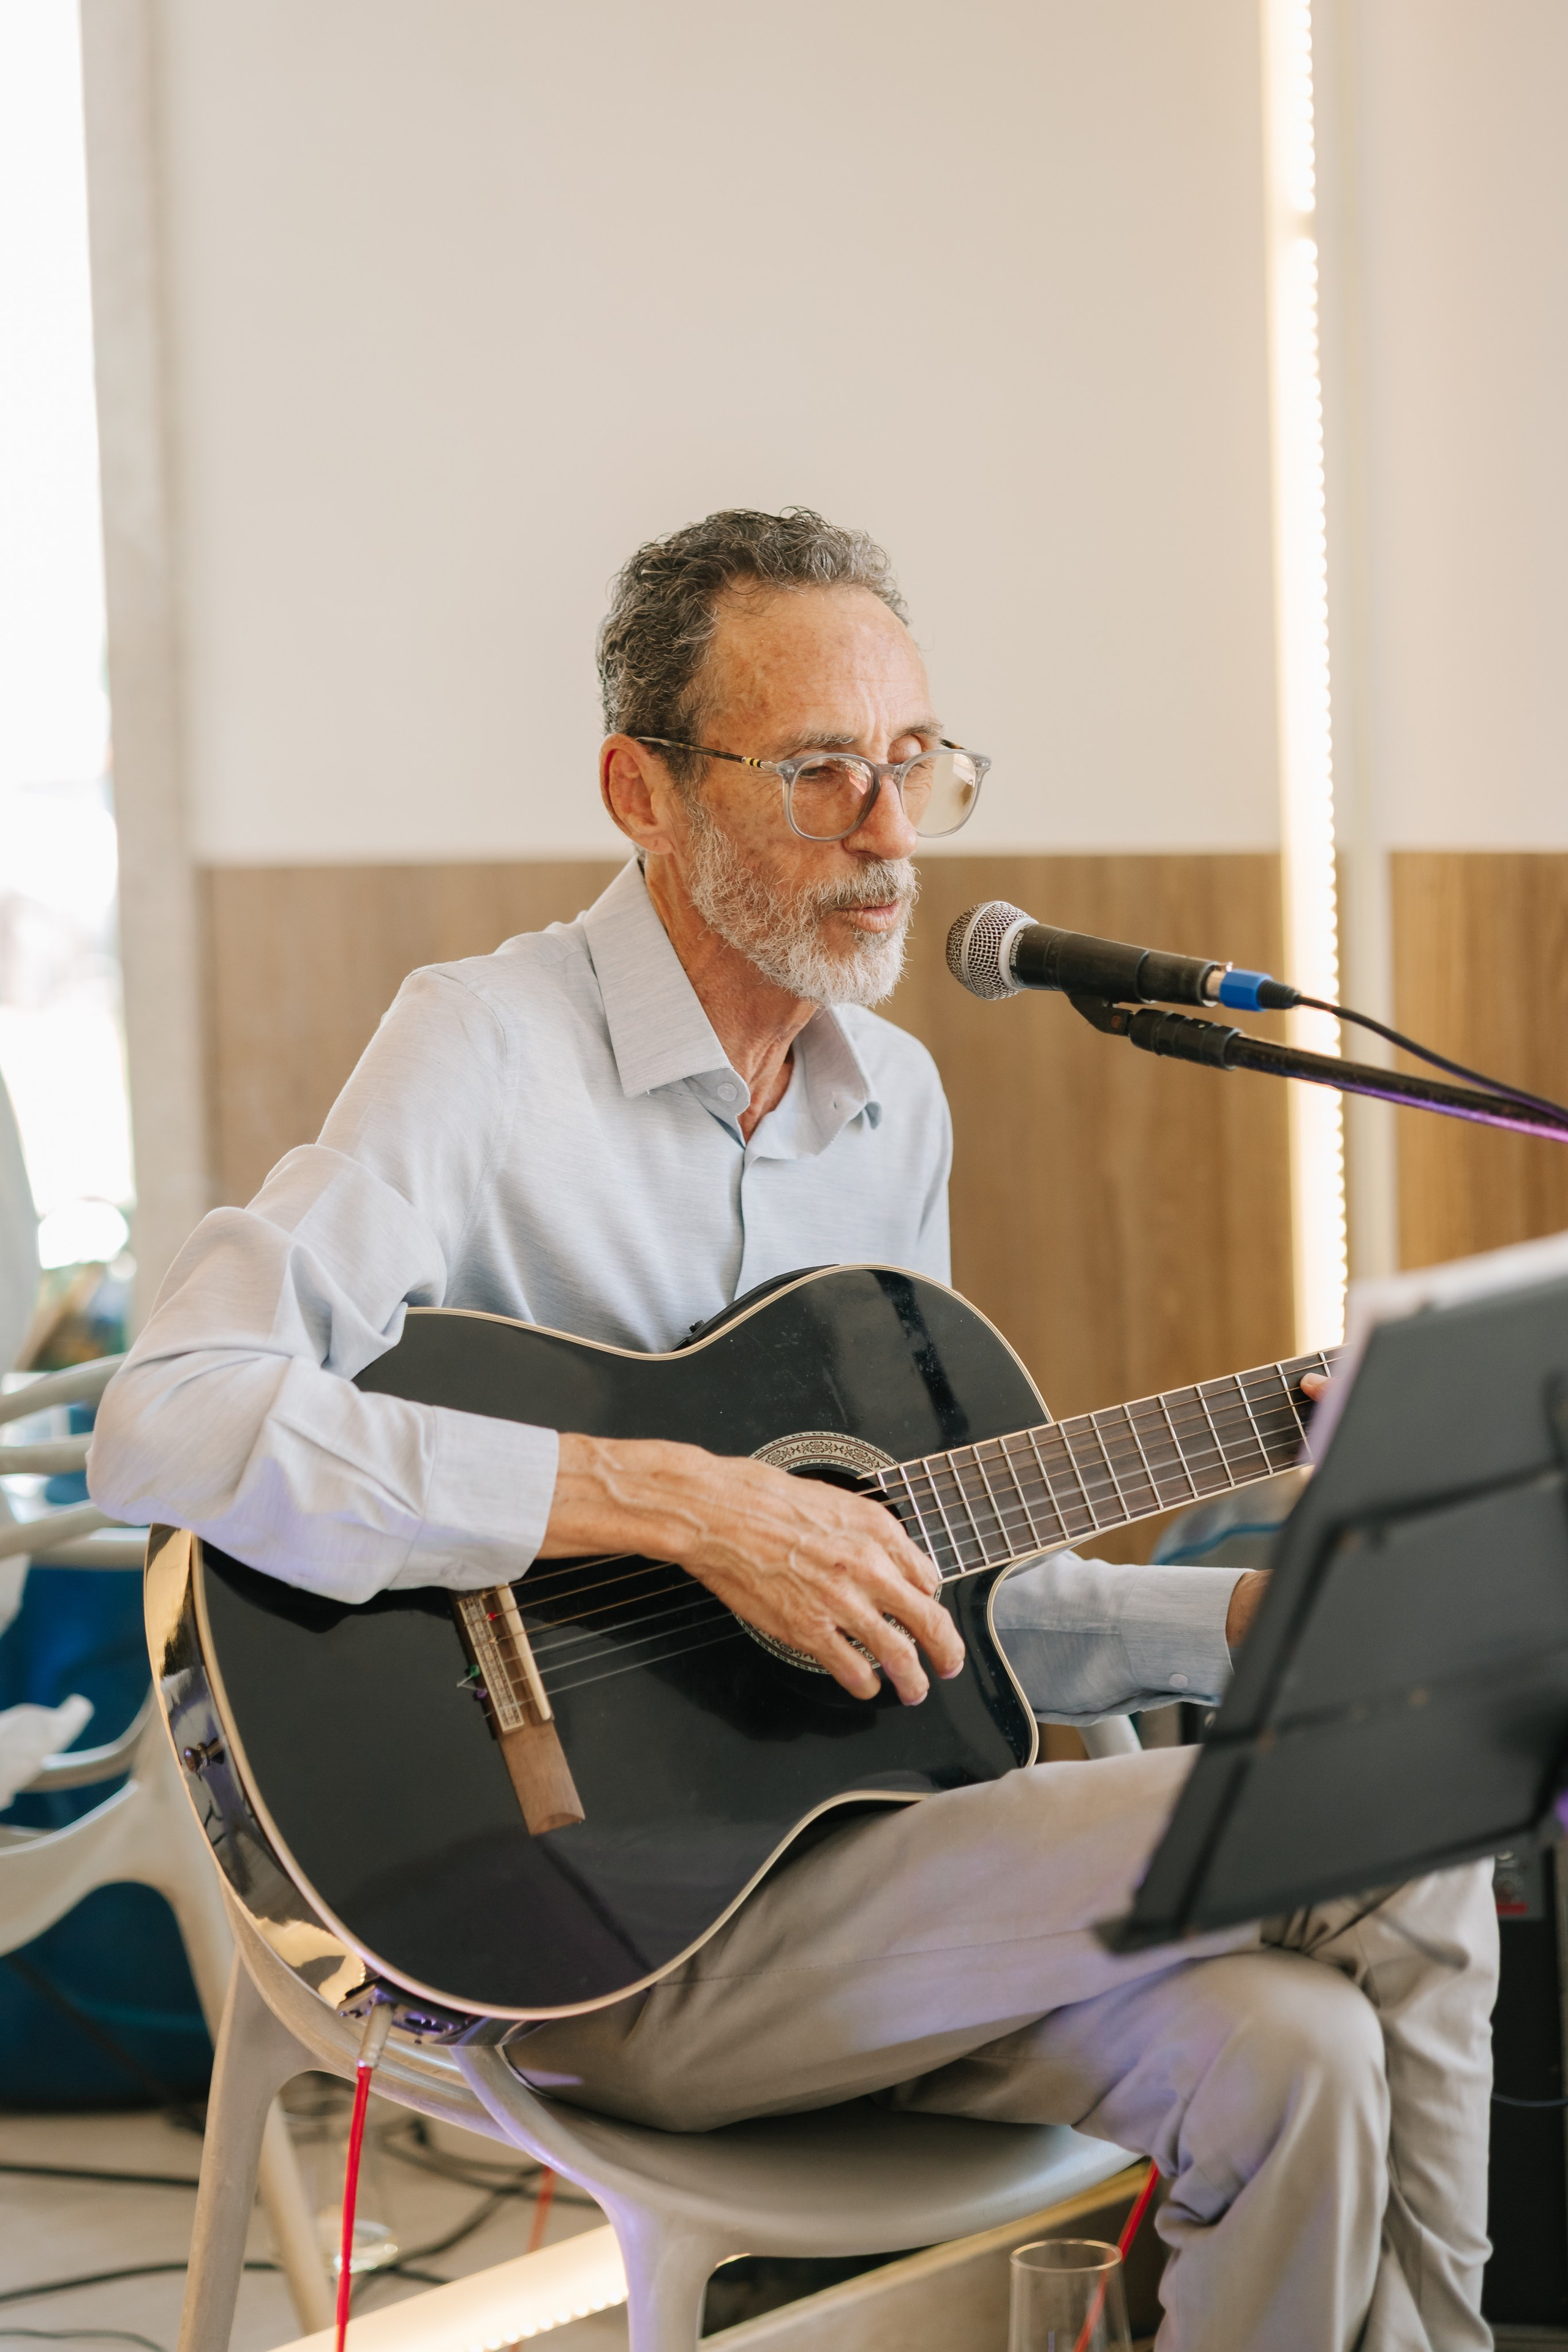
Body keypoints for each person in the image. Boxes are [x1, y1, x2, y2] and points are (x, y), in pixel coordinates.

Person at [89, 509, 1495, 2349]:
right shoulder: (485, 1054)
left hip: (871, 1860)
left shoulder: (887, 1103)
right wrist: (661, 1501)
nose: (892, 832)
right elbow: (167, 1418)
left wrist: (1232, 1631)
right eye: (822, 771)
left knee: (1291, 2050)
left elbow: (924, 1572)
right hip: (585, 1926)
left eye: (916, 766)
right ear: (643, 791)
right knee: (1429, 1785)